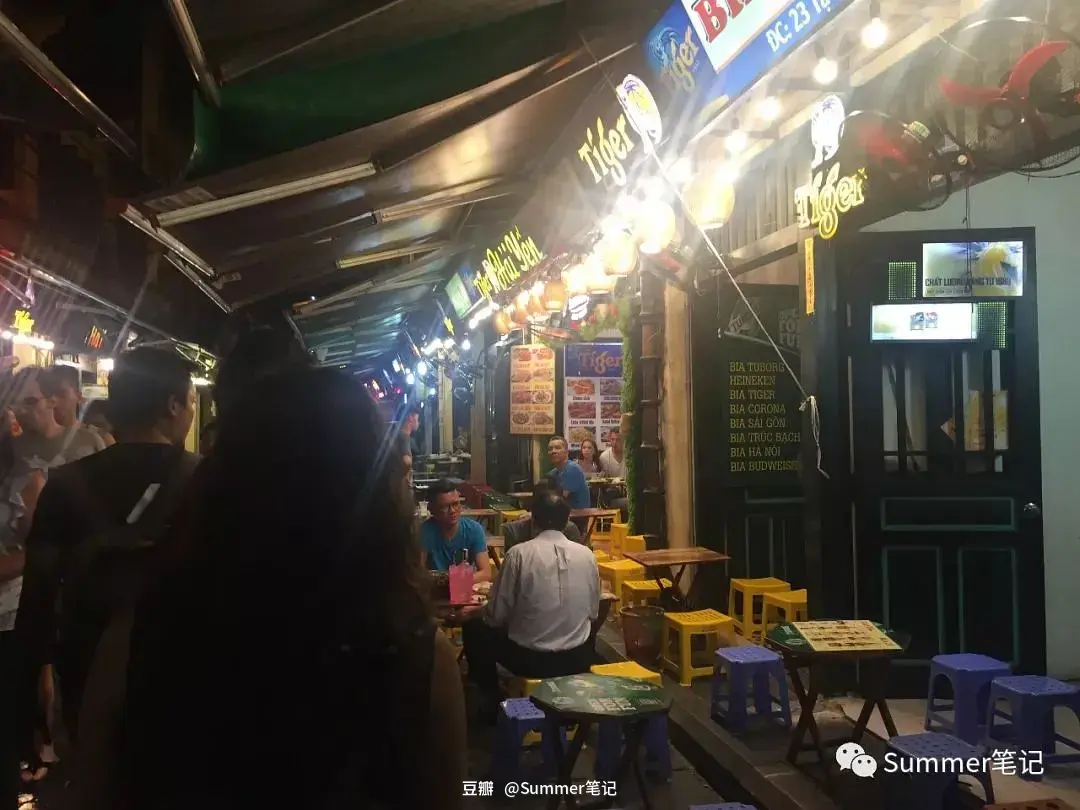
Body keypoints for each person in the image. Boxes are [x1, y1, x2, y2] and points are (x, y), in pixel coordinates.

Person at [71, 367, 466, 810]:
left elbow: (92, 789)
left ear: (222, 481)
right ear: (375, 496)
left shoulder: (137, 637)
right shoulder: (415, 655)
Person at [13, 348, 200, 752]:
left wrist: (40, 678)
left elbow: (38, 592)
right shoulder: (205, 480)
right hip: (184, 669)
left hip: (87, 666)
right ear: (171, 405)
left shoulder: (65, 483)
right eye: (190, 401)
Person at [463, 492, 599, 717]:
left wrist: (475, 613)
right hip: (578, 659)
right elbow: (593, 613)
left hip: (530, 661)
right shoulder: (587, 556)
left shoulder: (518, 555)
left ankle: (491, 699)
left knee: (475, 629)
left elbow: (496, 615)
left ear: (533, 520)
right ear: (566, 522)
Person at [419, 479, 490, 581]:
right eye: (445, 506)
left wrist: (456, 582)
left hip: (462, 589)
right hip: (434, 590)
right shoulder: (424, 532)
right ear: (432, 510)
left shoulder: (474, 530)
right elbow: (417, 573)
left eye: (455, 504)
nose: (452, 511)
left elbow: (486, 573)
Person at [502, 481, 584, 551]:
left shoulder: (570, 529)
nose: (550, 518)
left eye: (556, 510)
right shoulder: (513, 532)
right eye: (545, 510)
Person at [547, 436, 590, 509]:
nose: (553, 451)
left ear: (567, 452)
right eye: (550, 449)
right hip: (561, 515)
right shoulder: (552, 473)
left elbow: (559, 500)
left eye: (557, 448)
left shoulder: (573, 469)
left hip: (578, 516)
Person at [49, 364, 84, 429]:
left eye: (60, 393)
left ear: (78, 397)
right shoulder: (34, 437)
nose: (53, 400)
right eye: (48, 394)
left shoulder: (95, 437)